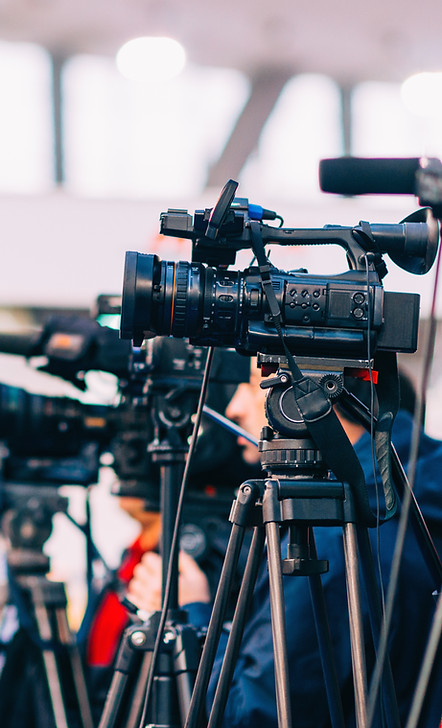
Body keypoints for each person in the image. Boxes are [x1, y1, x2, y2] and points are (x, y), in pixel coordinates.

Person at [128, 362, 442, 728]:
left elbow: (250, 716)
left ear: (312, 399)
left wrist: (191, 616)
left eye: (251, 384)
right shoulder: (415, 500)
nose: (234, 408)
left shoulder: (326, 540)